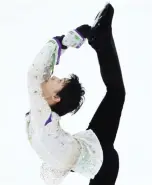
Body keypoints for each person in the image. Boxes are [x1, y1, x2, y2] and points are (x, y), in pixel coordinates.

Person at [25, 3, 126, 185]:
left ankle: (101, 38)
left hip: (94, 142)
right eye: (59, 80)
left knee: (116, 92)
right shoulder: (44, 119)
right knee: (116, 92)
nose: (53, 76)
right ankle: (101, 39)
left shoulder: (44, 115)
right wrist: (64, 41)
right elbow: (35, 74)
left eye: (58, 80)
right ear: (56, 98)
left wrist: (64, 42)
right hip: (104, 167)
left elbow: (38, 74)